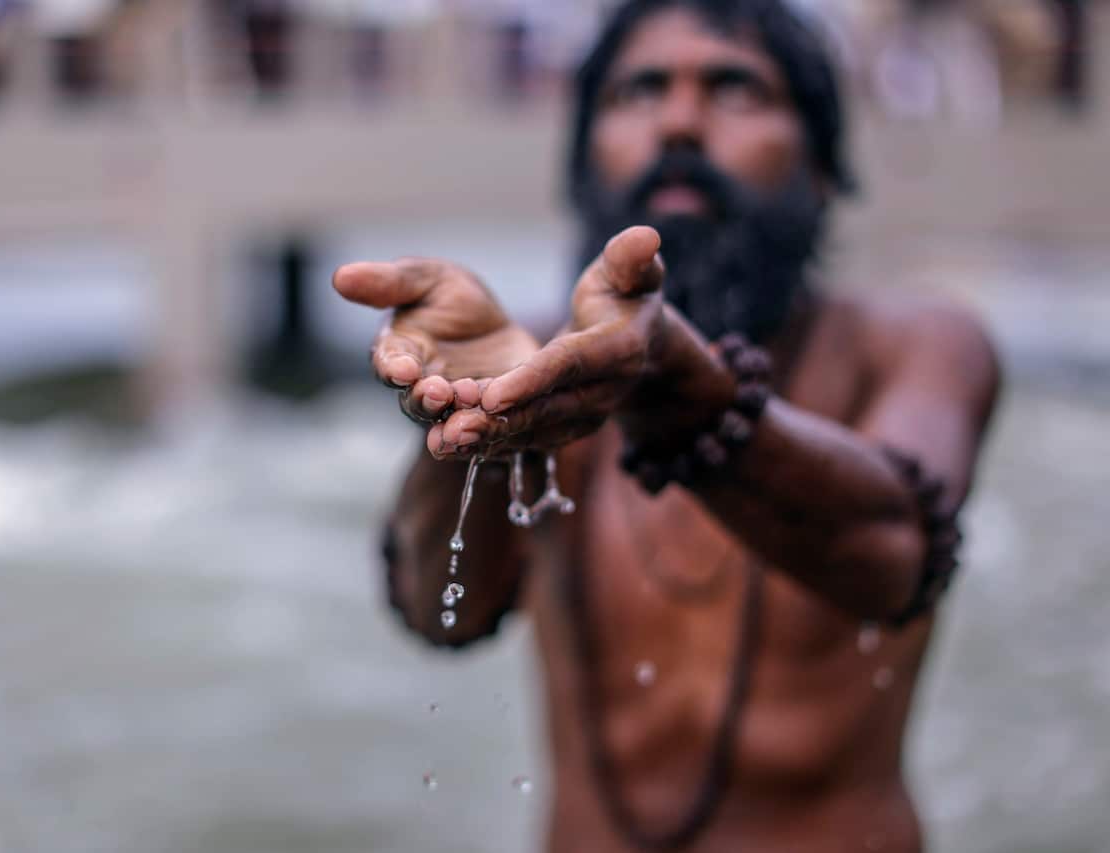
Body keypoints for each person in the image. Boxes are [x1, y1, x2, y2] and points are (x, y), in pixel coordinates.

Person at [333, 1, 1000, 850]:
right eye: (639, 91)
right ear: (585, 165)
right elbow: (440, 613)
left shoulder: (915, 347)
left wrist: (688, 395)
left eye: (736, 89)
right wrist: (480, 428)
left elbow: (893, 552)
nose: (680, 122)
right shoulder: (538, 365)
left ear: (822, 165)